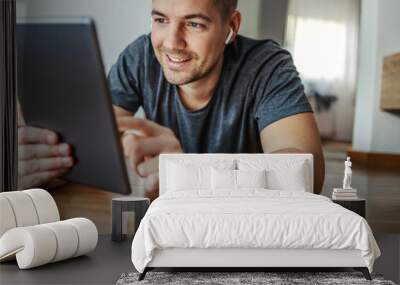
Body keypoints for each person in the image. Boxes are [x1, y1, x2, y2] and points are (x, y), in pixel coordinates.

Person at [17, 0, 325, 197]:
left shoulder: (268, 65)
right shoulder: (140, 56)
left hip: (244, 227)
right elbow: (95, 138)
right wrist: (56, 163)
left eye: (194, 24)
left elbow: (305, 171)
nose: (171, 43)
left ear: (231, 27)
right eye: (161, 20)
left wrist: (191, 174)